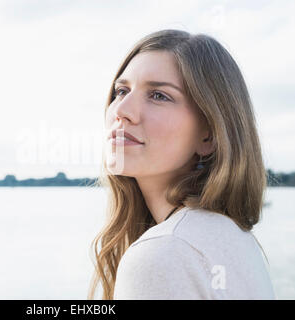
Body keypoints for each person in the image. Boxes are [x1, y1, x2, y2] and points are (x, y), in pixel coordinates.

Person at [87, 29, 276, 300]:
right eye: (121, 91)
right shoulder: (231, 236)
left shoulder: (165, 252)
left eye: (159, 95)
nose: (121, 111)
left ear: (209, 134)